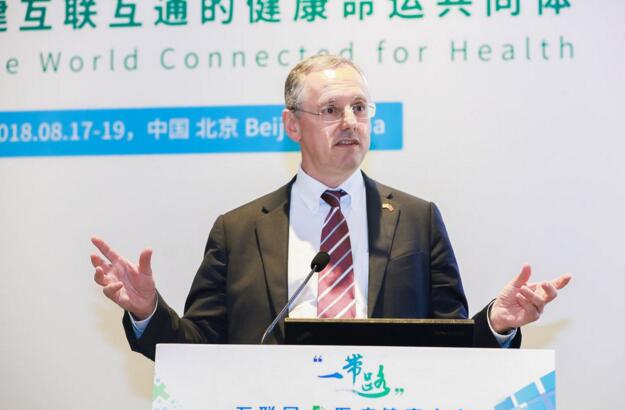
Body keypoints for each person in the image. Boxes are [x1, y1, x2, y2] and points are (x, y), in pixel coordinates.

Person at [90, 55, 571, 361]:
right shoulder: (238, 230)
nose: (349, 122)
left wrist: (495, 324)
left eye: (360, 108)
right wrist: (149, 312)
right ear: (292, 125)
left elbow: (449, 346)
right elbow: (197, 352)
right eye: (330, 110)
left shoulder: (417, 219)